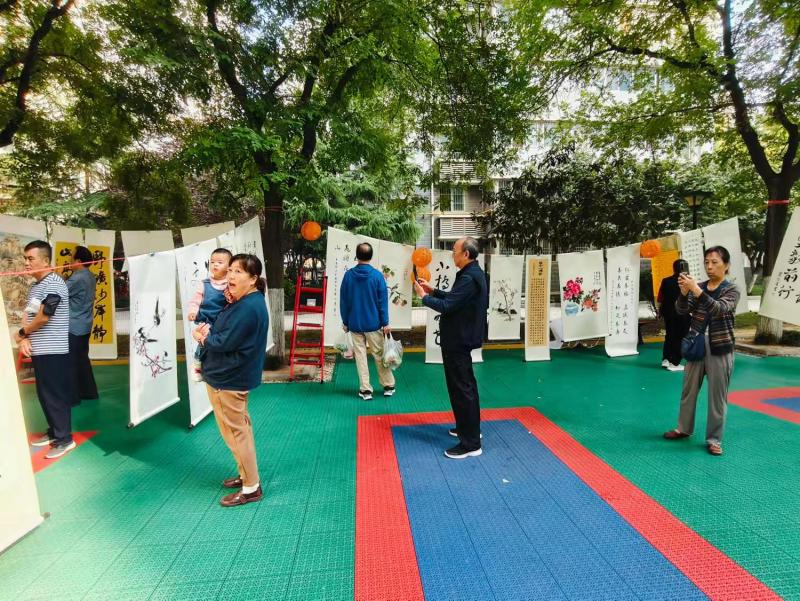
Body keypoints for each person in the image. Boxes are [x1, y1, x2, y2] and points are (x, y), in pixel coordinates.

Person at [193, 254, 269, 507]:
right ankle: (246, 476)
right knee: (238, 430)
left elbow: (224, 341)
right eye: (231, 270)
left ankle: (251, 487)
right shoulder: (246, 301)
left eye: (238, 272)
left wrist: (203, 338)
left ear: (253, 279)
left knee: (236, 433)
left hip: (229, 378)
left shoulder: (248, 306)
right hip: (231, 376)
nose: (231, 276)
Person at [413, 237, 488, 459]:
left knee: (462, 389)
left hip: (458, 340)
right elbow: (456, 299)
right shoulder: (471, 273)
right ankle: (468, 428)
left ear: (466, 254)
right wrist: (433, 291)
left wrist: (424, 297)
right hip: (460, 338)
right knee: (465, 387)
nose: (452, 254)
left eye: (454, 251)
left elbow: (447, 306)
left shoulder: (469, 278)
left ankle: (471, 444)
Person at [663, 246, 740, 456]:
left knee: (717, 396)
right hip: (696, 345)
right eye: (707, 262)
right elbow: (681, 309)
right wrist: (683, 293)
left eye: (715, 262)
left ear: (726, 265)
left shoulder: (731, 289)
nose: (709, 266)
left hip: (720, 348)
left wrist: (696, 290)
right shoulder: (701, 286)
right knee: (688, 390)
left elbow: (718, 309)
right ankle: (683, 428)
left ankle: (714, 439)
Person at [13, 240, 76, 459]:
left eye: (31, 258)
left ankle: (65, 439)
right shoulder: (36, 287)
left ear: (46, 261)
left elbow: (43, 317)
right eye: (25, 258)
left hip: (54, 350)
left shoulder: (55, 283)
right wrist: (24, 337)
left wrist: (22, 333)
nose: (26, 263)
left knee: (55, 395)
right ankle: (54, 432)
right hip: (40, 350)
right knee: (44, 394)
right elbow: (29, 314)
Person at [339, 242, 394, 401]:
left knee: (361, 357)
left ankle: (365, 390)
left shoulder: (348, 276)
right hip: (374, 324)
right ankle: (388, 386)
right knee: (379, 355)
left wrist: (346, 321)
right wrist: (385, 323)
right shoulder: (377, 276)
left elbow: (344, 301)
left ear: (357, 256)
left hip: (355, 323)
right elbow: (382, 303)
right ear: (371, 256)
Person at [187, 248, 232, 382]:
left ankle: (219, 366)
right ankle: (197, 365)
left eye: (220, 262)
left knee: (219, 344)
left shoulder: (230, 285)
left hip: (222, 321)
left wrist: (230, 298)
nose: (215, 264)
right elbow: (195, 300)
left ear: (229, 266)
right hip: (206, 320)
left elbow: (233, 302)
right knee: (204, 342)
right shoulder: (204, 284)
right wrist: (192, 312)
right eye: (212, 262)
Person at [66, 245, 99, 403]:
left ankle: (72, 397)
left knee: (70, 361)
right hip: (85, 324)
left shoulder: (77, 277)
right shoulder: (90, 276)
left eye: (71, 257)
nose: (69, 260)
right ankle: (89, 392)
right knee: (82, 360)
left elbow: (60, 293)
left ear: (78, 261)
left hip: (73, 326)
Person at [657, 259, 691, 372]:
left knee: (670, 335)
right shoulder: (687, 281)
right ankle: (674, 362)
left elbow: (660, 298)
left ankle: (666, 359)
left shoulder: (666, 280)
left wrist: (659, 311)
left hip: (668, 313)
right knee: (681, 337)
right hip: (682, 314)